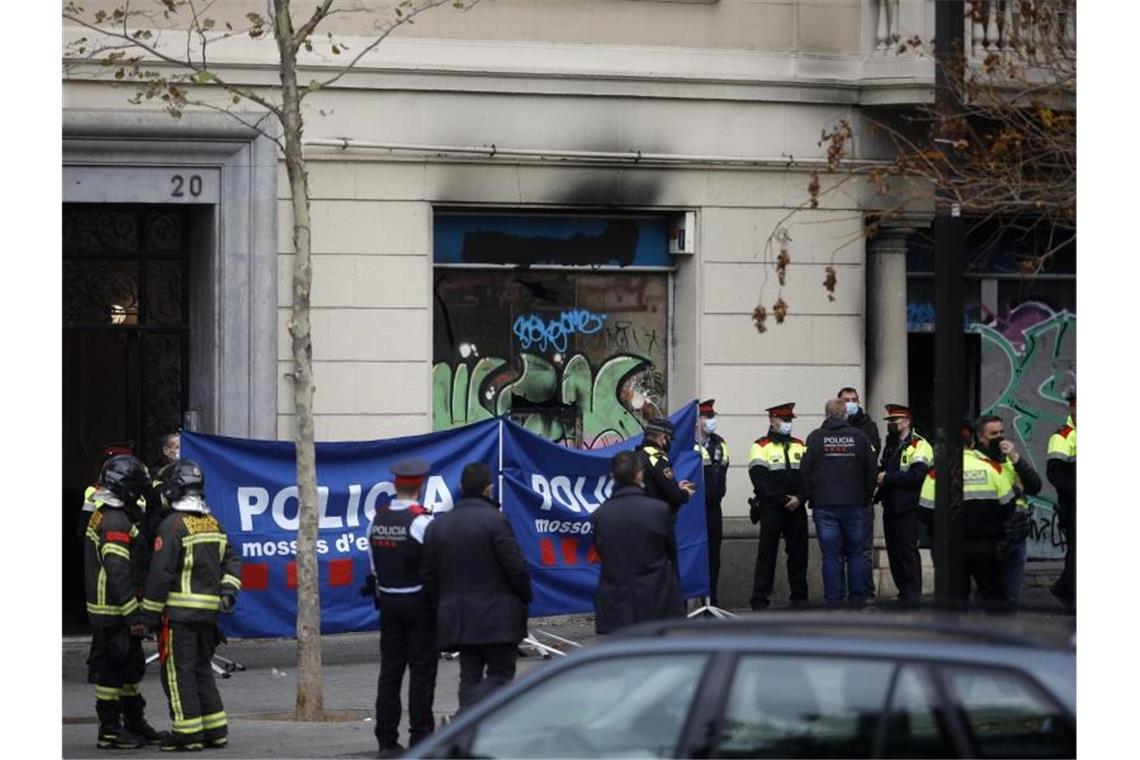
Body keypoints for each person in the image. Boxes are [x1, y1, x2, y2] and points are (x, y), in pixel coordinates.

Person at [139, 459, 241, 751]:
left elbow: (160, 575)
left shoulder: (171, 526)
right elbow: (232, 560)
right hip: (208, 615)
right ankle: (215, 730)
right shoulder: (213, 522)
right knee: (201, 670)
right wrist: (227, 592)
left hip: (178, 617)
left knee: (178, 672)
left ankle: (187, 733)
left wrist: (148, 616)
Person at [421, 462, 532, 711]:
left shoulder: (438, 526)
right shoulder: (496, 521)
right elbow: (516, 568)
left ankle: (468, 729)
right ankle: (470, 719)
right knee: (501, 675)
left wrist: (441, 606)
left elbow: (428, 576)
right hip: (498, 617)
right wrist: (524, 599)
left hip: (458, 618)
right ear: (489, 489)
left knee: (469, 675)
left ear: (461, 488)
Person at [84, 453, 168, 749]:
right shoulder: (115, 519)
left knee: (131, 667)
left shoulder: (110, 512)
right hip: (115, 611)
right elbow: (118, 572)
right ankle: (109, 729)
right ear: (127, 486)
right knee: (113, 670)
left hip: (115, 608)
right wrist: (134, 616)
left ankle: (134, 721)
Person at [368, 458, 438, 757]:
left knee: (390, 672)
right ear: (420, 485)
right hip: (419, 604)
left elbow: (373, 568)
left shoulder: (377, 520)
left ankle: (386, 738)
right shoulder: (423, 521)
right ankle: (421, 737)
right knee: (421, 673)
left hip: (388, 602)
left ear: (395, 485)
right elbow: (435, 568)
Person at [590, 450, 685, 634]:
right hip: (655, 599)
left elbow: (601, 552)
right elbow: (671, 554)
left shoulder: (600, 515)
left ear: (613, 476)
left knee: (622, 659)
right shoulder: (659, 510)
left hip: (615, 603)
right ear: (639, 474)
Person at [800, 399, 878, 607]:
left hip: (825, 506)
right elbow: (872, 471)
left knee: (831, 556)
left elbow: (805, 472)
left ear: (826, 414)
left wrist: (810, 497)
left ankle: (833, 600)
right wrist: (866, 496)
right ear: (845, 414)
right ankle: (857, 598)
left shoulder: (815, 438)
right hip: (854, 504)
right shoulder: (860, 437)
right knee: (855, 553)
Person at [975, 414, 1042, 606]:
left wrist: (1016, 458)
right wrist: (1017, 489)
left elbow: (1035, 485)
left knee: (1011, 597)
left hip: (1016, 534)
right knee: (986, 596)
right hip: (991, 536)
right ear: (981, 437)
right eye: (993, 433)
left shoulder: (1010, 460)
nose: (1000, 437)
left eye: (1002, 432)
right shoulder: (978, 462)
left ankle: (1005, 632)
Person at [747, 402, 808, 610]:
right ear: (772, 421)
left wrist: (800, 498)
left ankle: (800, 598)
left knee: (799, 555)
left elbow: (808, 477)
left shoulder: (800, 444)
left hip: (797, 508)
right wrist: (783, 500)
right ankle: (760, 600)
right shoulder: (760, 446)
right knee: (767, 555)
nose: (788, 424)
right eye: (784, 420)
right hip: (772, 508)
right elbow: (760, 481)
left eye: (790, 420)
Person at [875, 403, 932, 607]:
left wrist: (887, 477)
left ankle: (912, 594)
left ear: (906, 421)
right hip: (890, 504)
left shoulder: (919, 445)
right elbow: (884, 468)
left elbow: (917, 476)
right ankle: (903, 592)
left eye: (894, 420)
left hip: (908, 506)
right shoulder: (891, 444)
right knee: (894, 551)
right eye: (889, 421)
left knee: (907, 551)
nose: (890, 424)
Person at [838, 387, 880, 599]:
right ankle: (844, 592)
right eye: (847, 400)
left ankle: (865, 592)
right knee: (840, 551)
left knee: (863, 550)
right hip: (839, 498)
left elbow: (871, 458)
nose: (852, 403)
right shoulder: (832, 427)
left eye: (854, 399)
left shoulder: (868, 427)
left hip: (861, 499)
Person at [694, 399, 730, 606]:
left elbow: (723, 469)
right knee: (693, 555)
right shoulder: (687, 443)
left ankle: (710, 602)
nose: (711, 420)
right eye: (707, 417)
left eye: (713, 416)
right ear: (697, 421)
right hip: (693, 510)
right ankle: (685, 603)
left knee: (713, 557)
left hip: (713, 508)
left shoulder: (719, 442)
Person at [1047, 390, 1077, 611]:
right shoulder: (1063, 437)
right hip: (1073, 504)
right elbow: (1055, 474)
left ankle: (1064, 587)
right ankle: (1072, 595)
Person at [636, 417, 695, 515]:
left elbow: (655, 485)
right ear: (662, 438)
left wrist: (677, 487)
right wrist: (685, 493)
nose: (670, 443)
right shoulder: (657, 459)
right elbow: (674, 495)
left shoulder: (638, 455)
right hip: (656, 517)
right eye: (669, 439)